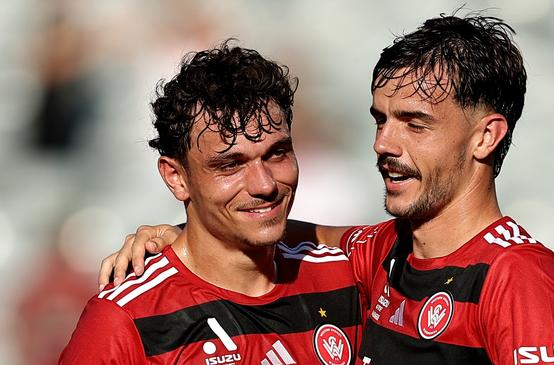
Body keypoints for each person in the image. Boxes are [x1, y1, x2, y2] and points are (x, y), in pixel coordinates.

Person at [101, 14, 554, 365]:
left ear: (485, 136)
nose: (383, 144)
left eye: (415, 124)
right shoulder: (383, 254)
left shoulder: (517, 275)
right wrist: (183, 234)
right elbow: (297, 235)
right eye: (380, 119)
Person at [60, 42, 362, 364]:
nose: (264, 185)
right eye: (230, 165)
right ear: (176, 177)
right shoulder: (127, 319)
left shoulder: (346, 276)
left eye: (277, 153)